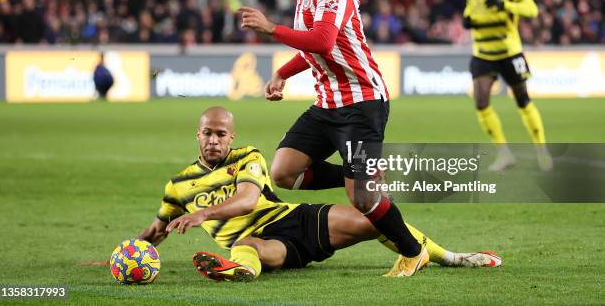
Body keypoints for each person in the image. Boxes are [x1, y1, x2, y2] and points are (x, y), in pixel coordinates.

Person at [238, 0, 428, 277]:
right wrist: (283, 72)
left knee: (363, 200)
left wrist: (271, 30)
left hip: (361, 105)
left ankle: (413, 252)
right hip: (327, 105)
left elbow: (323, 41)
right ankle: (357, 173)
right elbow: (317, 49)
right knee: (283, 171)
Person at [137, 106, 501, 283]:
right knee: (250, 245)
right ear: (197, 135)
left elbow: (248, 199)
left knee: (371, 219)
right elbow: (155, 233)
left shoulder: (247, 157)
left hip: (294, 220)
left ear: (231, 137)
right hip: (268, 246)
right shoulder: (177, 187)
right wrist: (128, 253)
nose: (214, 139)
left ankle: (451, 257)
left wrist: (202, 215)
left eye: (220, 133)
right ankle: (241, 270)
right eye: (207, 133)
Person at [462, 0, 552, 171]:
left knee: (522, 99)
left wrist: (505, 4)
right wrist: (467, 18)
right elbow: (471, 9)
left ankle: (542, 149)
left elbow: (531, 9)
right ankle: (504, 153)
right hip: (482, 52)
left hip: (509, 52)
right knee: (481, 102)